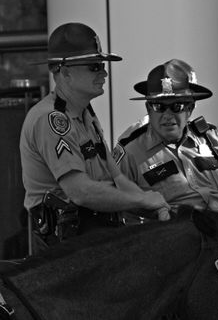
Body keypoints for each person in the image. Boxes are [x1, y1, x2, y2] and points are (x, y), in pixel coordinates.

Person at [19, 22, 170, 250]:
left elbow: (118, 179)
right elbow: (80, 192)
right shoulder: (50, 119)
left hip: (95, 237)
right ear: (65, 71)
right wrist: (142, 199)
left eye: (102, 65)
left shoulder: (85, 112)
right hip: (65, 249)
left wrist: (156, 206)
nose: (104, 72)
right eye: (95, 66)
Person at [113, 59, 218, 224]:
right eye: (159, 106)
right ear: (148, 108)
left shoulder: (212, 137)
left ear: (190, 108)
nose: (167, 115)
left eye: (177, 107)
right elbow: (120, 206)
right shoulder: (130, 151)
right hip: (178, 239)